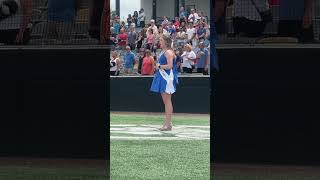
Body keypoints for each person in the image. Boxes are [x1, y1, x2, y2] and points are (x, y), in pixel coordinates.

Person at [150, 33, 179, 131]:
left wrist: (159, 66)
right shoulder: (164, 51)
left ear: (166, 42)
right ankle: (168, 123)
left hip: (166, 78)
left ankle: (168, 124)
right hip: (162, 76)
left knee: (167, 101)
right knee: (166, 101)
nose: (159, 42)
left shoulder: (168, 52)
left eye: (161, 40)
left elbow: (170, 66)